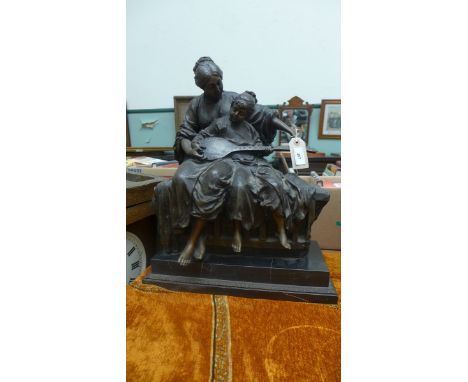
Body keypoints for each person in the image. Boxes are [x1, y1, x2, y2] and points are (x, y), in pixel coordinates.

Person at [154, 57, 295, 252]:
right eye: (211, 86)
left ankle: (208, 232)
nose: (217, 88)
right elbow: (185, 134)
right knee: (181, 177)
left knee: (220, 180)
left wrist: (289, 130)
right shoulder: (196, 105)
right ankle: (194, 233)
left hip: (232, 158)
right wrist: (189, 149)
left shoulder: (234, 99)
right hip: (202, 154)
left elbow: (264, 115)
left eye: (219, 81)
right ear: (202, 87)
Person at [177, 92, 296, 265]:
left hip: (252, 163)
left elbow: (257, 147)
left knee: (276, 183)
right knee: (237, 186)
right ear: (231, 106)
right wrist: (195, 144)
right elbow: (201, 136)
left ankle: (281, 230)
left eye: (242, 113)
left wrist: (265, 149)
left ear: (247, 115)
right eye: (235, 109)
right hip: (230, 163)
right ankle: (204, 238)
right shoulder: (221, 123)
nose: (236, 114)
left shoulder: (249, 129)